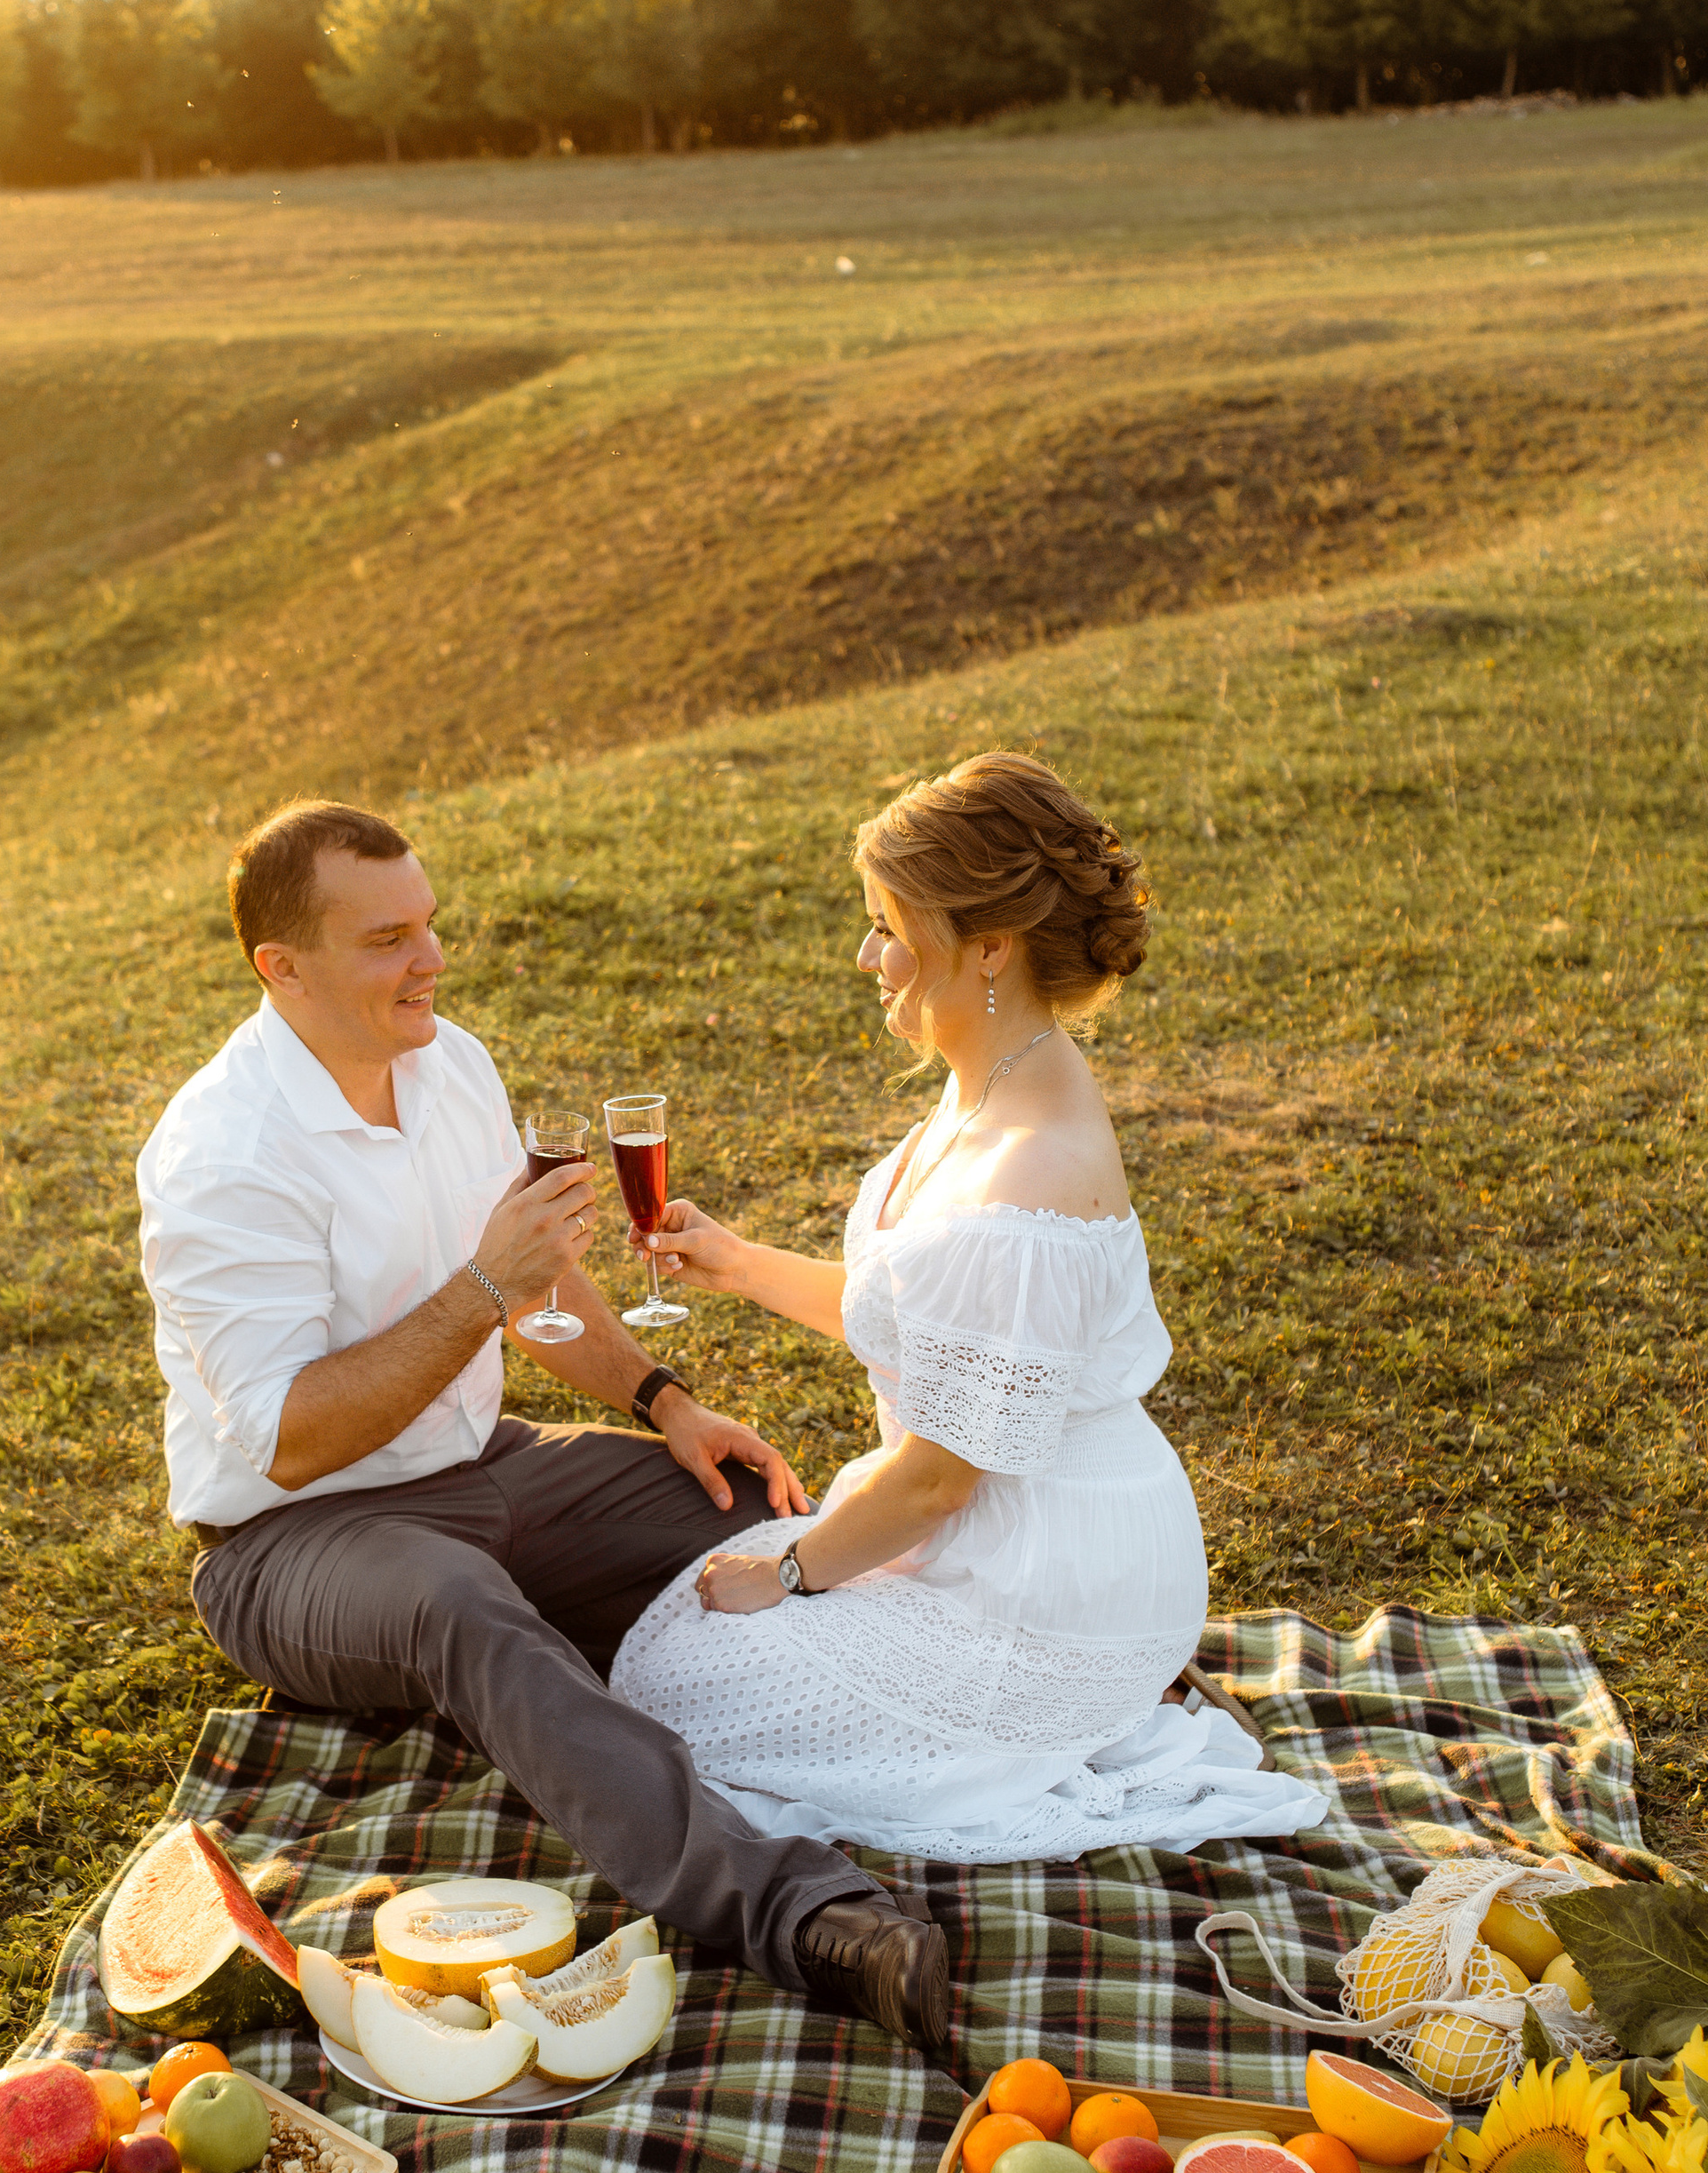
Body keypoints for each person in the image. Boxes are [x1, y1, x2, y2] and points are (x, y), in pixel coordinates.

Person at [134, 799, 950, 2050]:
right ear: (280, 967)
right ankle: (809, 1915)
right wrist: (481, 1291)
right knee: (463, 1611)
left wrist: (661, 1401)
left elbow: (539, 1279)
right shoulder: (221, 1156)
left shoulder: (448, 1061)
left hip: (485, 1468)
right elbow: (292, 1434)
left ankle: (1006, 1691)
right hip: (295, 1537)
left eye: (431, 926)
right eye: (389, 938)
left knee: (744, 1511)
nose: (432, 961)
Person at [612, 752, 1328, 1866]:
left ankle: (1078, 1716)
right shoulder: (993, 1080)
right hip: (991, 1540)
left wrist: (789, 1576)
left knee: (678, 1692)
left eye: (890, 926)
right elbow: (939, 1334)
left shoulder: (1026, 1170)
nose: (866, 956)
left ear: (988, 944)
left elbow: (947, 1472)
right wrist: (738, 1261)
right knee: (671, 1655)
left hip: (1046, 1583)